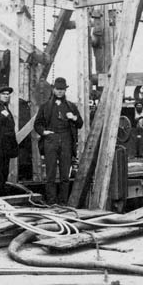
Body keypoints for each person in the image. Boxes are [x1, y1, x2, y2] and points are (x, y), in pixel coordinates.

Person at [34, 77, 83, 205]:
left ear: (65, 90)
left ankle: (63, 202)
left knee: (65, 175)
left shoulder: (71, 106)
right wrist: (44, 132)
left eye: (62, 89)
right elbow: (37, 124)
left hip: (66, 140)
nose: (60, 92)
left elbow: (80, 124)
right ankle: (51, 202)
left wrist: (74, 117)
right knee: (50, 174)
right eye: (57, 89)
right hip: (51, 140)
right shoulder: (45, 107)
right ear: (53, 89)